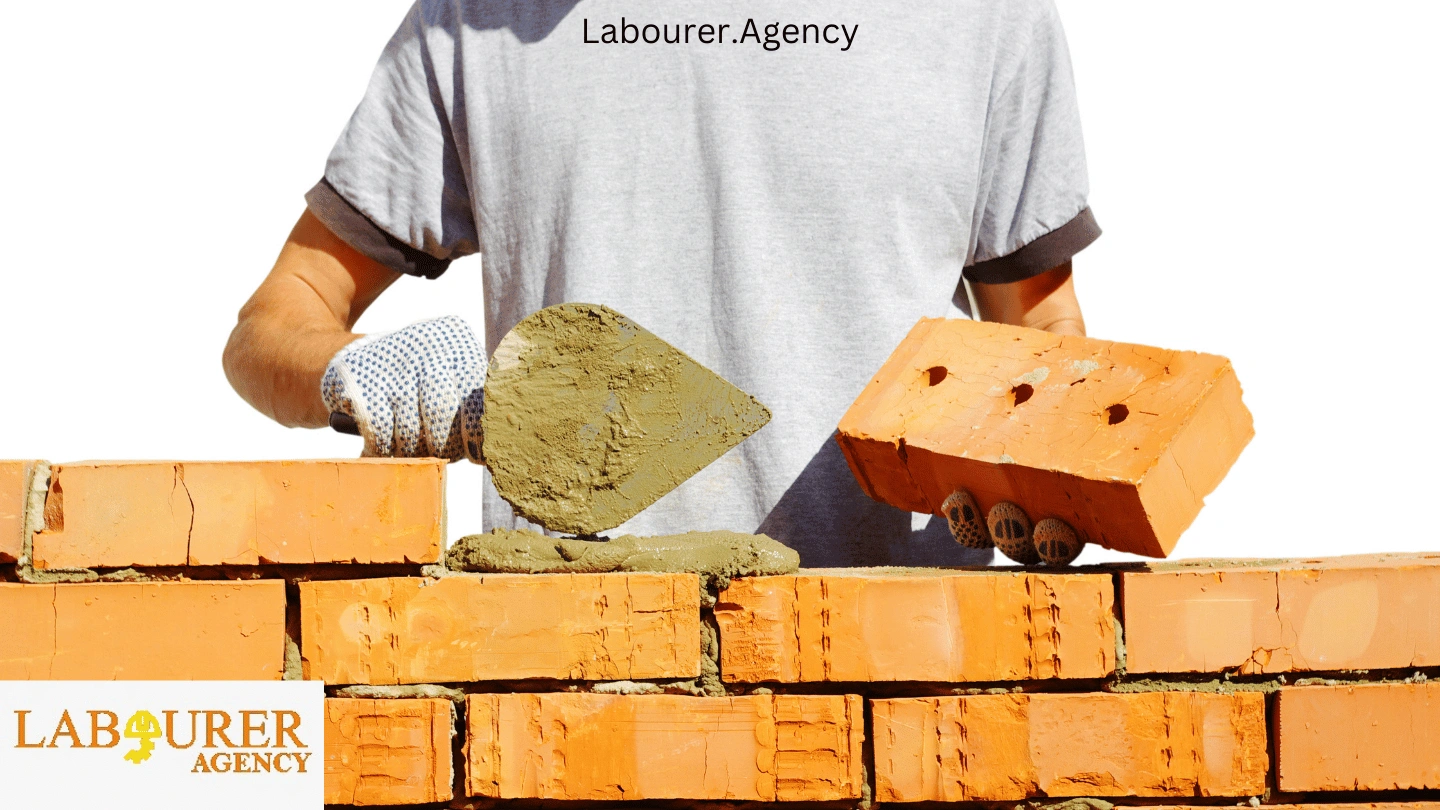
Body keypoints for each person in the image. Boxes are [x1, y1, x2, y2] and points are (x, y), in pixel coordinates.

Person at [223, 0, 1097, 568]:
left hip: (902, 674)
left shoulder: (985, 18)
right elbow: (275, 321)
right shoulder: (475, 24)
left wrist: (1058, 466)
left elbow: (1042, 328)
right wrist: (355, 376)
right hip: (571, 669)